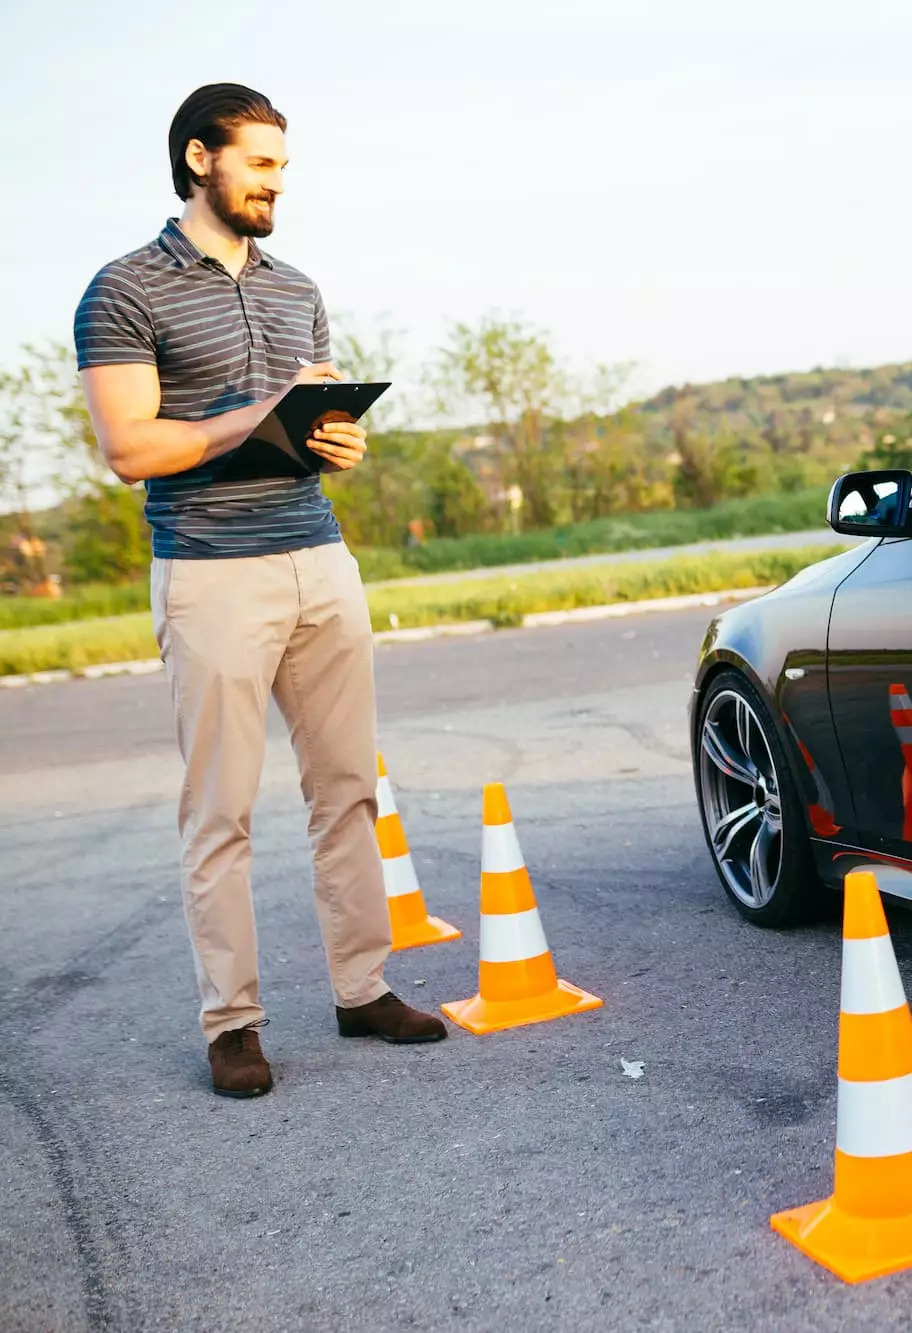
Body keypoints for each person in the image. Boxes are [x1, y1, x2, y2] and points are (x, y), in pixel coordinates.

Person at [75, 84, 444, 1099]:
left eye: (284, 165)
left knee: (347, 788)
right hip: (207, 571)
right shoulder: (124, 291)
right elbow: (129, 448)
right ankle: (232, 1022)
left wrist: (336, 439)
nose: (279, 182)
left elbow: (304, 426)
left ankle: (362, 987)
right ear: (201, 158)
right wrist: (254, 414)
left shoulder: (296, 288)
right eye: (262, 163)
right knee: (221, 811)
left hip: (317, 558)